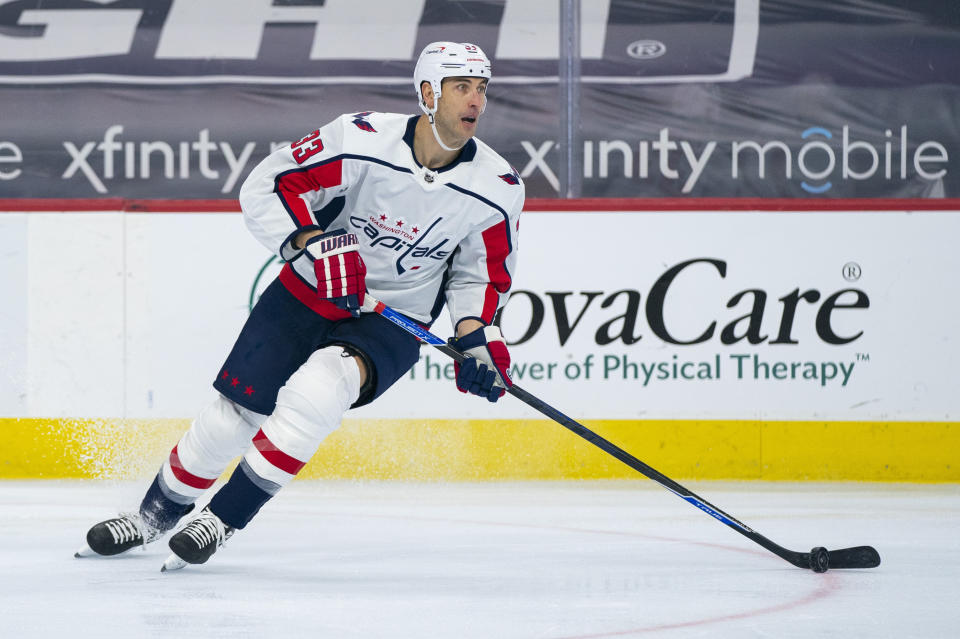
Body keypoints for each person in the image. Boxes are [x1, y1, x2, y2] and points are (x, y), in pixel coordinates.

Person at [75, 41, 524, 570]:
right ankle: (152, 517)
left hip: (394, 318)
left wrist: (479, 341)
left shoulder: (497, 188)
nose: (476, 101)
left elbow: (481, 276)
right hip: (310, 289)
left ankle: (221, 520)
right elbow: (270, 186)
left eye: (482, 89)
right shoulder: (360, 139)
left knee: (318, 392)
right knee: (230, 419)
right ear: (428, 93)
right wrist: (309, 241)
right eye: (462, 87)